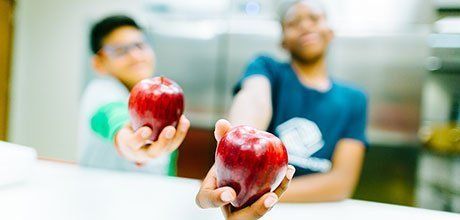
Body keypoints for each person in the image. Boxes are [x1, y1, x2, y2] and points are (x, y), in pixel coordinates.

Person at [196, 0, 368, 212]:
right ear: (283, 40)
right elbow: (255, 100)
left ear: (330, 31)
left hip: (318, 211)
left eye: (314, 19)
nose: (305, 26)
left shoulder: (355, 99)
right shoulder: (267, 68)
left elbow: (340, 183)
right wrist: (235, 146)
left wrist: (254, 194)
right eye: (294, 23)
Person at [78, 15, 190, 175]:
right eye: (120, 50)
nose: (136, 55)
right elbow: (114, 117)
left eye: (140, 45)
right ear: (99, 63)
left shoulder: (161, 98)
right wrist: (128, 142)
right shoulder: (101, 91)